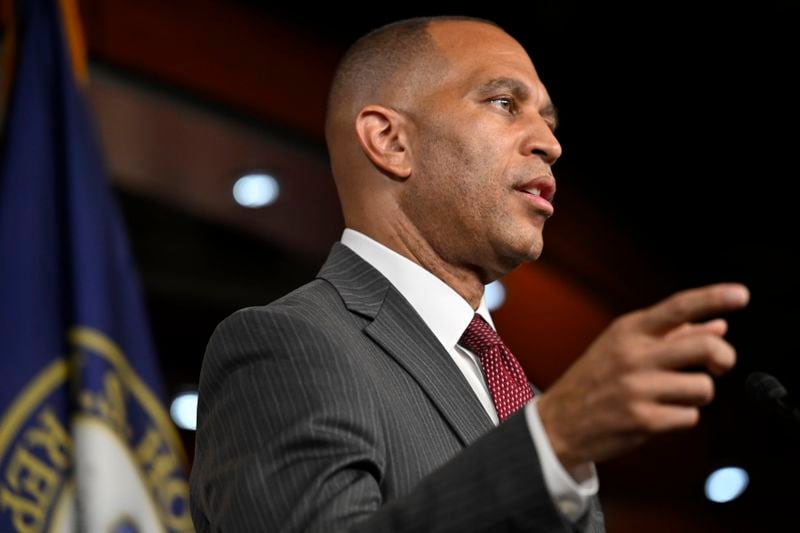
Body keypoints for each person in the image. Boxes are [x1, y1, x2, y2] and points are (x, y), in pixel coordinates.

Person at [189, 16, 749, 532]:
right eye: (505, 103)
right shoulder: (290, 345)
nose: (550, 144)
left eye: (548, 122)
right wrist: (553, 441)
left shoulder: (522, 393)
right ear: (391, 141)